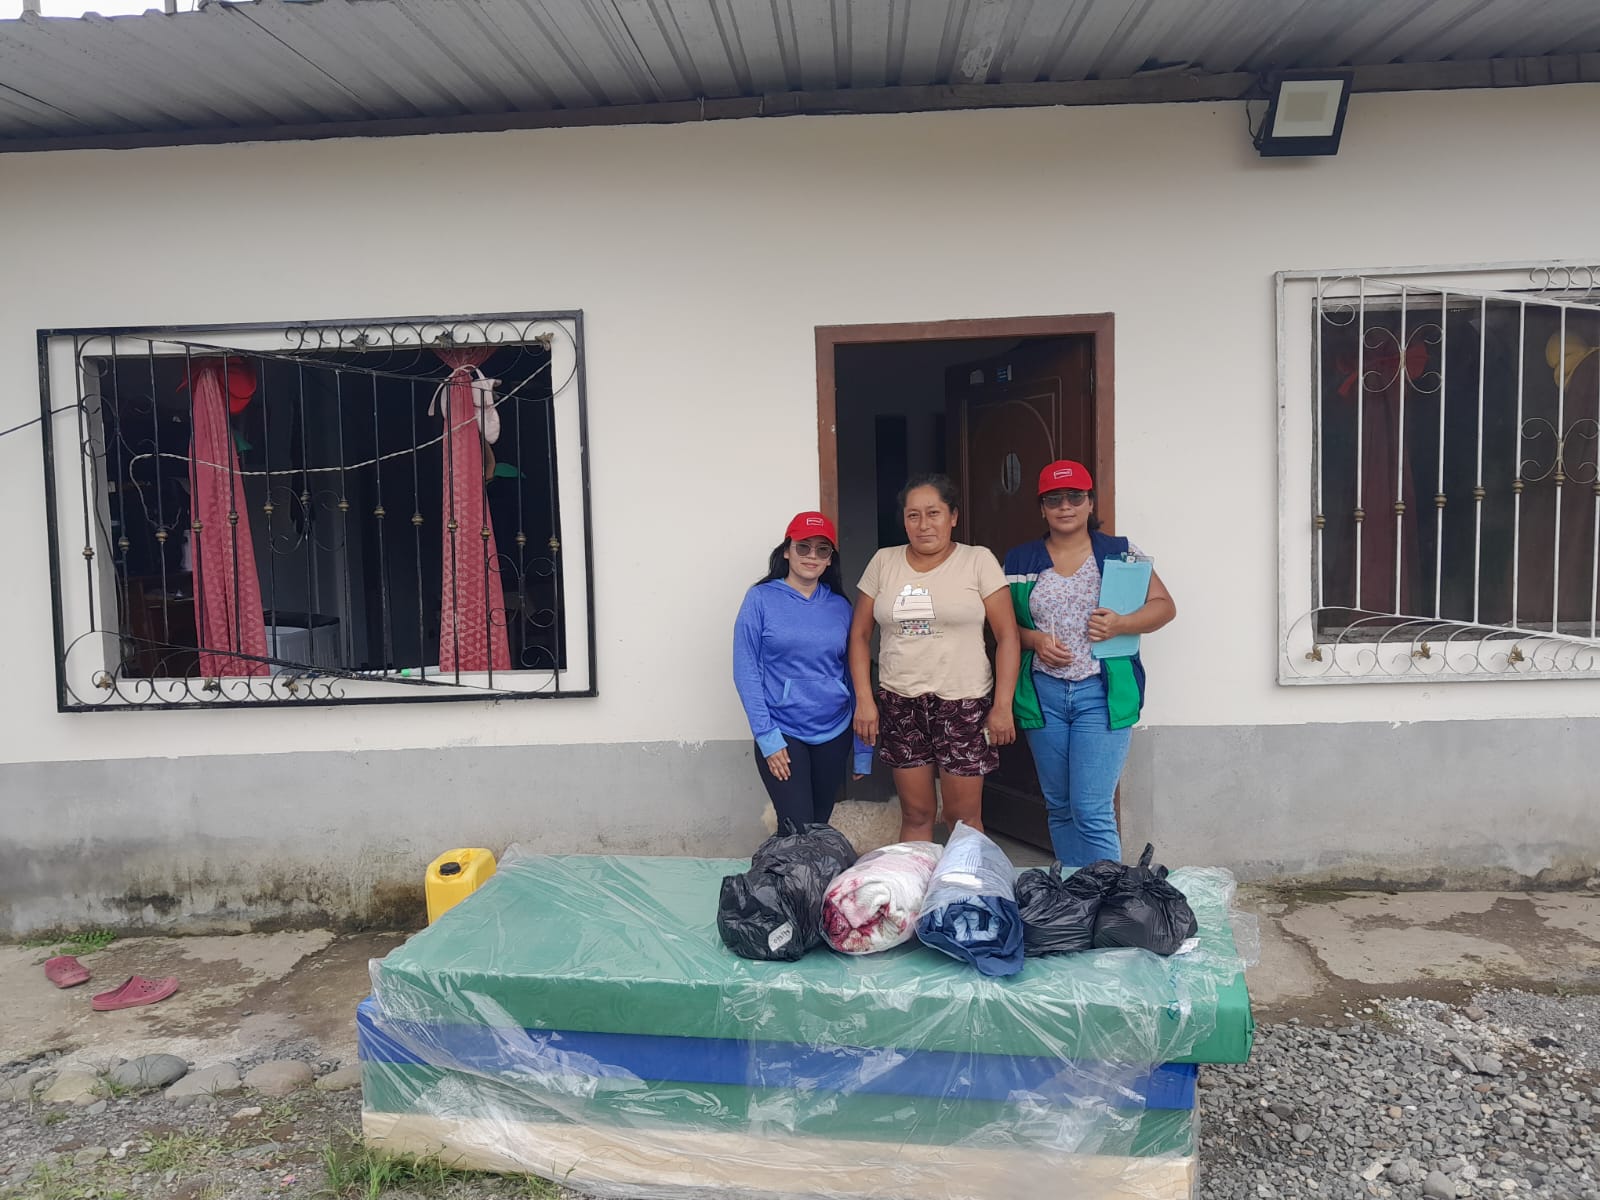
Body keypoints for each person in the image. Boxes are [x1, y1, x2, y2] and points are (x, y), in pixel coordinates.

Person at [1002, 460, 1176, 867]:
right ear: (1042, 508)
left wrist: (1122, 623)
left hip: (1100, 691)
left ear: (1090, 502)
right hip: (1044, 692)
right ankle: (1074, 893)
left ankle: (1110, 897)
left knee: (1092, 807)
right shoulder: (1020, 560)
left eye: (1075, 497)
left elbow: (1164, 607)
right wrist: (1035, 640)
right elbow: (1003, 628)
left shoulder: (1119, 553)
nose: (1065, 506)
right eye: (1054, 499)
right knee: (1060, 806)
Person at [849, 475, 1020, 842]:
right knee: (916, 814)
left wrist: (1003, 705)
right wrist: (864, 699)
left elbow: (1007, 636)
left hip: (963, 703)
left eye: (933, 513)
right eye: (913, 515)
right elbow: (860, 635)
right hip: (900, 702)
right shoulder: (884, 562)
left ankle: (965, 880)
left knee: (963, 818)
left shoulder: (977, 561)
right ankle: (915, 879)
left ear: (953, 516)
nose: (923, 524)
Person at [733, 512, 871, 828]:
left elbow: (853, 674)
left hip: (834, 731)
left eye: (822, 549)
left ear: (830, 559)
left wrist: (863, 748)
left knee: (817, 828)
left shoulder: (840, 606)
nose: (812, 556)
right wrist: (767, 737)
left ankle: (804, 866)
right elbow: (745, 670)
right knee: (796, 826)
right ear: (787, 550)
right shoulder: (760, 599)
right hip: (783, 729)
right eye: (803, 547)